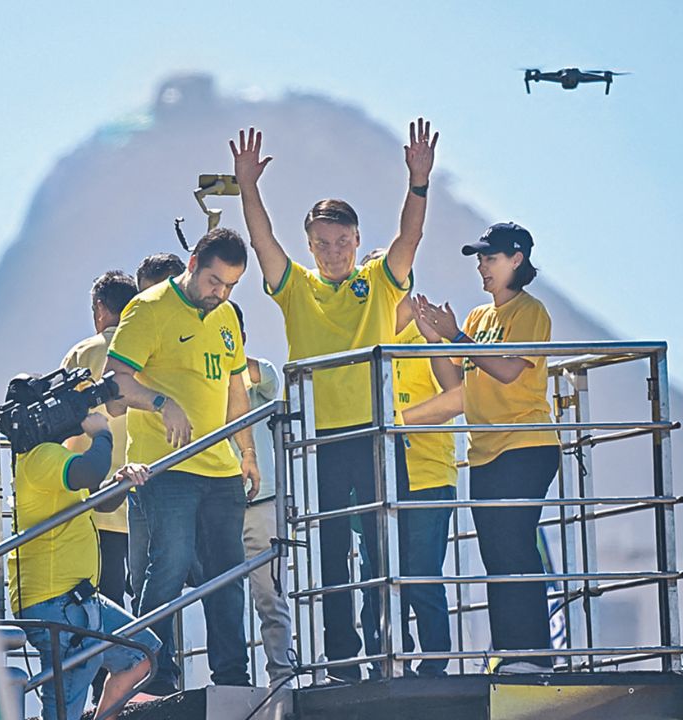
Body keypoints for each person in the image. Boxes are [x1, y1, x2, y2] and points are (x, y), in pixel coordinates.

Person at [231, 119, 439, 681]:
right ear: (310, 245)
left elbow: (409, 239)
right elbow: (263, 244)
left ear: (355, 240)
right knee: (329, 556)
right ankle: (345, 660)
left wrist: (418, 181)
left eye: (342, 241)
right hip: (321, 440)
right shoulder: (297, 286)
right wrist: (248, 187)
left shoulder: (379, 281)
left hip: (377, 435)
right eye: (321, 243)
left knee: (380, 550)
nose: (332, 252)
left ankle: (386, 651)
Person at [104, 228, 260, 694]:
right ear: (193, 264)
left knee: (227, 578)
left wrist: (247, 453)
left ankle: (232, 679)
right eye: (215, 281)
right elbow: (116, 380)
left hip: (221, 472)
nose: (221, 294)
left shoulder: (228, 315)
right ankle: (155, 674)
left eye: (231, 285)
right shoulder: (147, 308)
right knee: (166, 570)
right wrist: (159, 402)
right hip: (165, 470)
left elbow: (236, 392)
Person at [413, 222, 560, 674]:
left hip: (525, 444)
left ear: (517, 260)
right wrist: (435, 337)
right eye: (480, 258)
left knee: (515, 545)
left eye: (490, 258)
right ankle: (510, 654)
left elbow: (511, 370)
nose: (482, 266)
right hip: (485, 450)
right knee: (495, 551)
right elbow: (455, 382)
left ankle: (533, 653)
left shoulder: (529, 311)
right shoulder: (477, 319)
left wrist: (457, 337)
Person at [6, 383, 159, 720]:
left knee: (141, 655)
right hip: (57, 602)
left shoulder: (51, 459)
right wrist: (102, 434)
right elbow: (90, 471)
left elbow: (97, 501)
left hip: (78, 598)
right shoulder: (42, 457)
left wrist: (122, 482)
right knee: (64, 710)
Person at [353, 250, 463, 678]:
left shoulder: (426, 338)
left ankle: (434, 665)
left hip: (426, 475)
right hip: (372, 478)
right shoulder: (362, 339)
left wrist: (396, 423)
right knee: (374, 579)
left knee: (420, 575)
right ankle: (383, 663)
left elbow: (459, 397)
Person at [60, 270, 141, 702]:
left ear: (99, 310)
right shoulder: (145, 344)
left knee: (96, 605)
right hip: (143, 491)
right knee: (142, 595)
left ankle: (98, 696)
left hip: (93, 501)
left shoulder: (83, 352)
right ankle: (144, 684)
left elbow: (60, 420)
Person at [224, 301, 295, 686]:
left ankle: (282, 678)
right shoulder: (200, 382)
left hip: (262, 503)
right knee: (226, 600)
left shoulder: (259, 373)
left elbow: (263, 377)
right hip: (217, 506)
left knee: (271, 599)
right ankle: (234, 680)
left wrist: (224, 356)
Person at [127, 252, 188, 616]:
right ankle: (155, 668)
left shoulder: (206, 324)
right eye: (143, 299)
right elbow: (116, 394)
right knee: (144, 581)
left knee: (203, 576)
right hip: (143, 472)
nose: (150, 308)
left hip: (195, 470)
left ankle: (231, 672)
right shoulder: (134, 332)